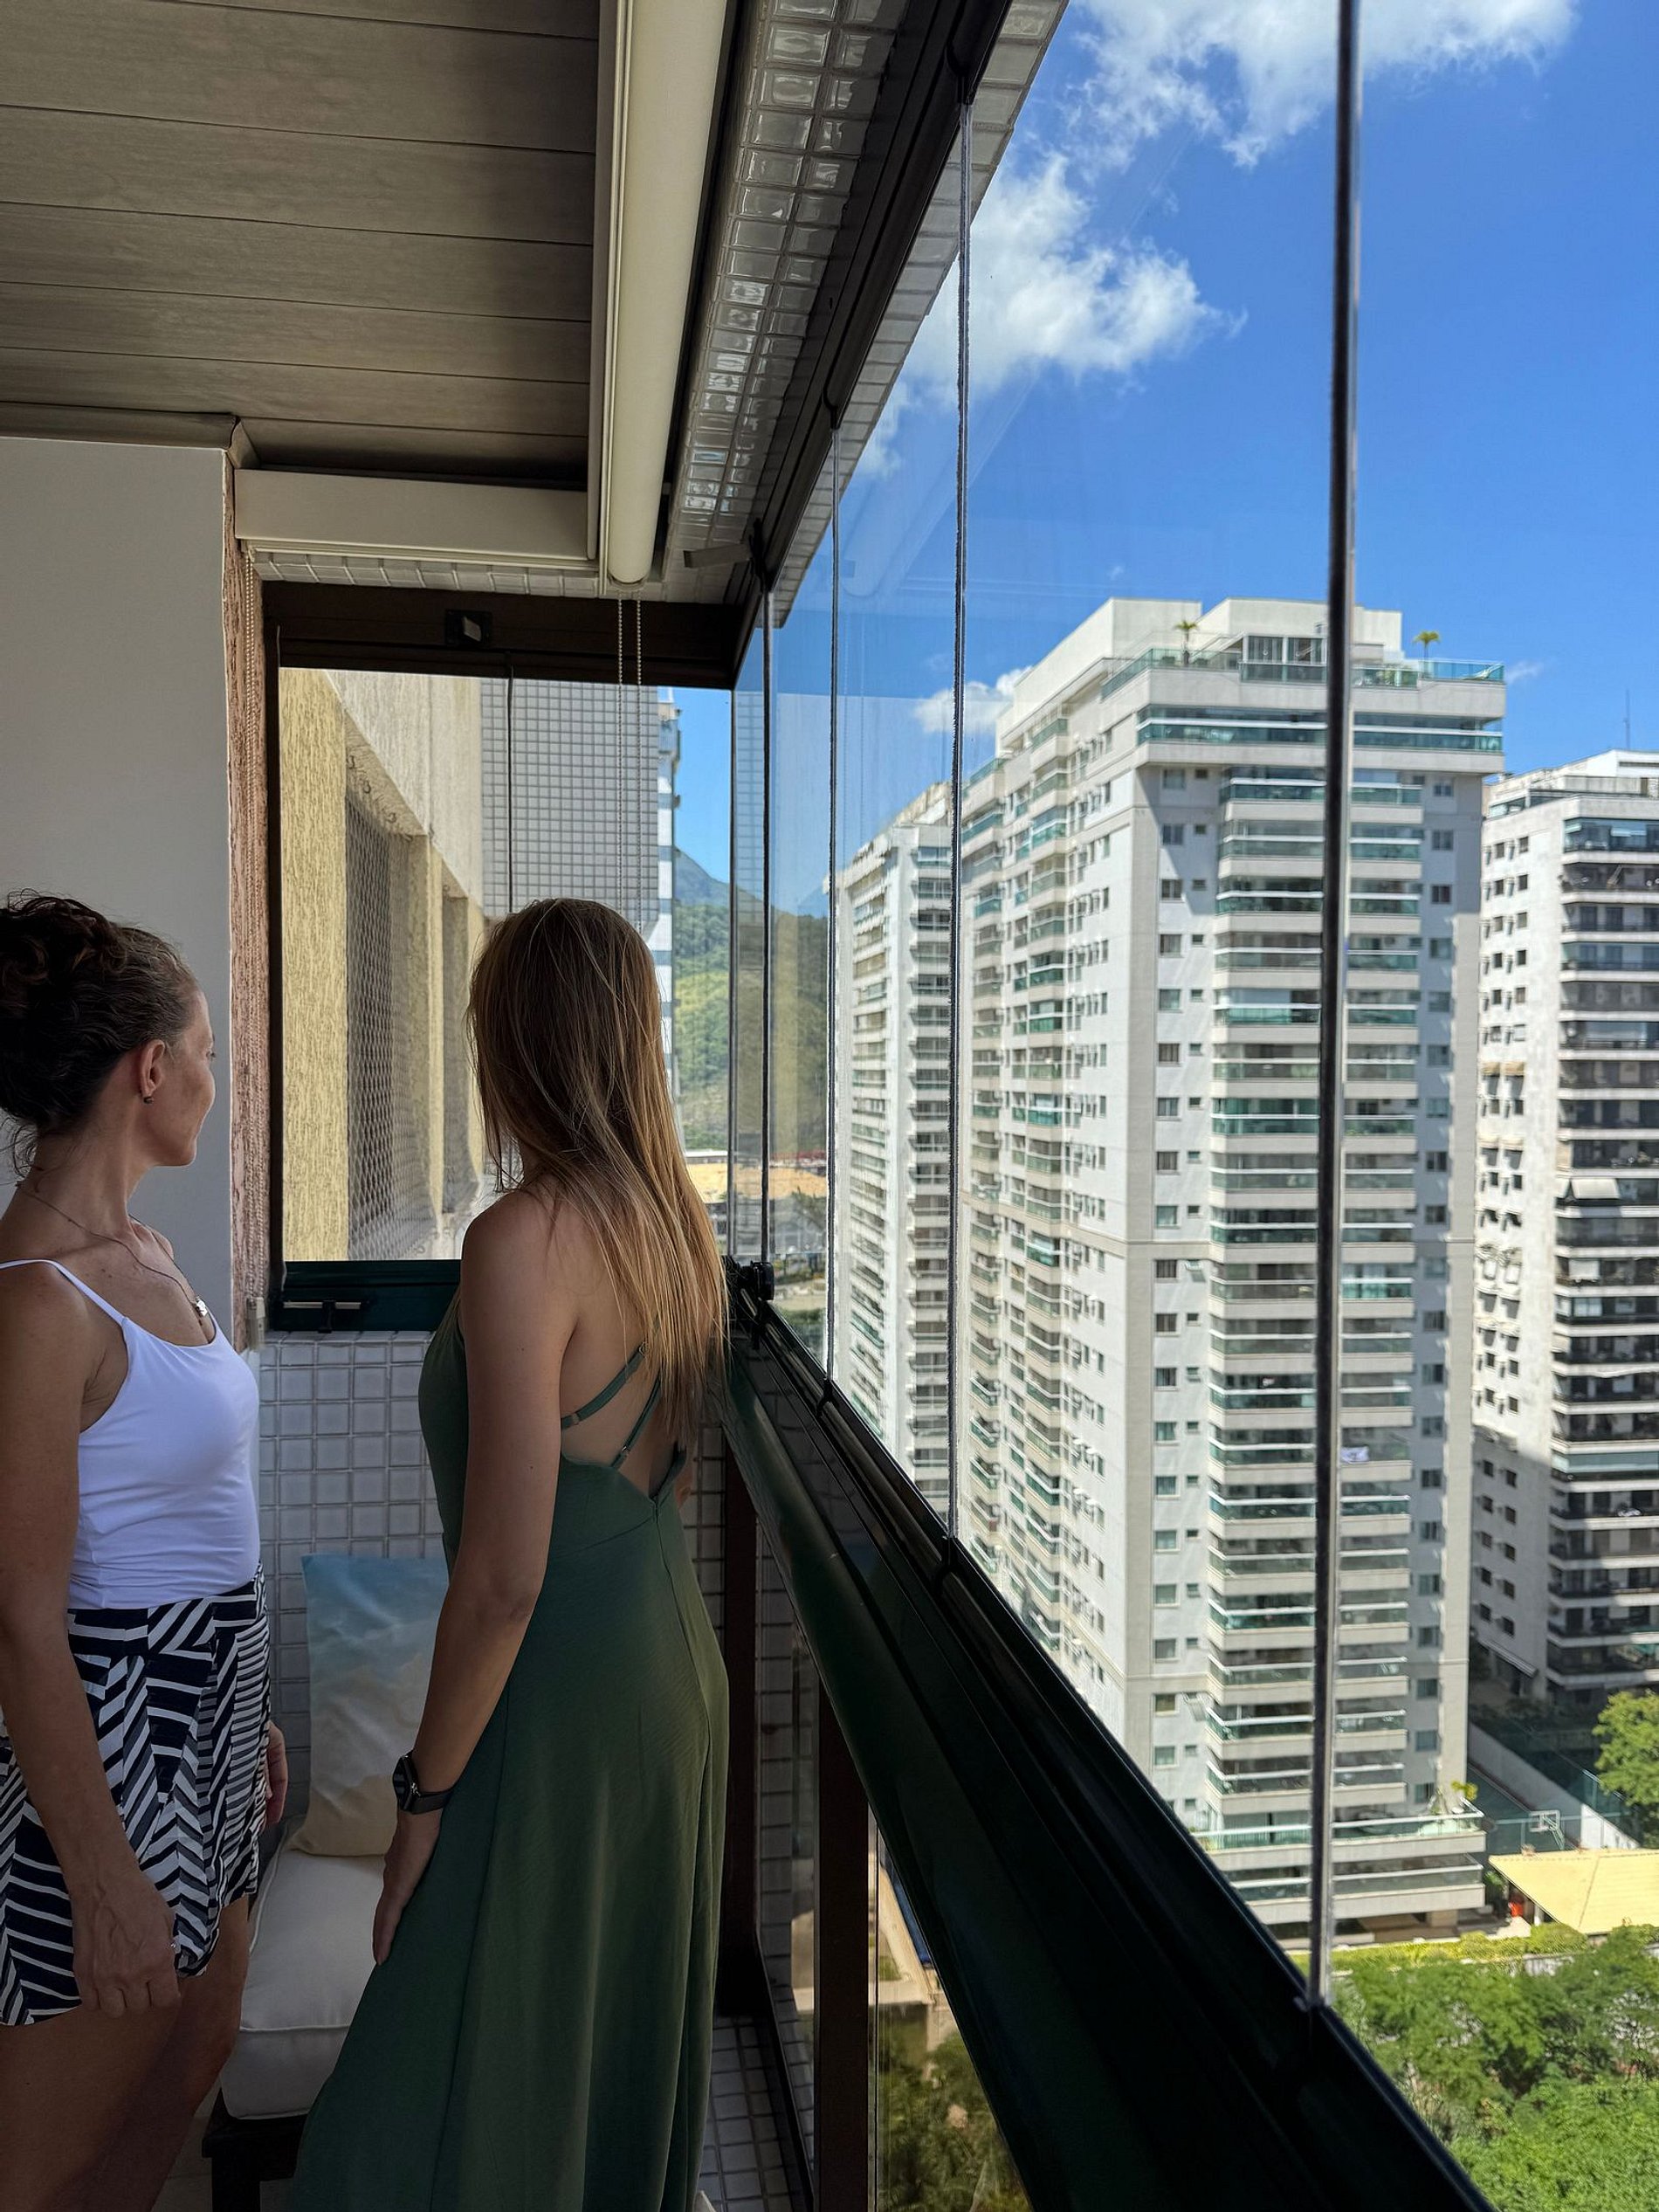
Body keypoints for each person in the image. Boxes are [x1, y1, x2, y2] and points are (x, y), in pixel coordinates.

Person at [289, 897, 728, 2212]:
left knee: (421, 2101)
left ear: (522, 1045)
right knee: (593, 2055)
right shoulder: (675, 1229)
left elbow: (502, 1578)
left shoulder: (520, 1239)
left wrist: (420, 1798)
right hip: (670, 1677)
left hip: (557, 1703)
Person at [0, 892, 283, 2212]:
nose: (218, 1084)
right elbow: (20, 1615)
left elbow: (196, 1506)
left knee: (189, 2058)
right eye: (210, 1053)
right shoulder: (35, 1302)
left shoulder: (151, 1254)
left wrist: (242, 1712)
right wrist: (103, 1874)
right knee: (38, 2160)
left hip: (207, 1720)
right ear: (151, 1068)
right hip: (116, 1741)